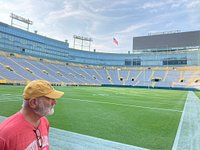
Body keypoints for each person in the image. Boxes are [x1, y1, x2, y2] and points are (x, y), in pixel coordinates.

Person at [0, 80, 64, 150]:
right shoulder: (5, 135)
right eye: (50, 99)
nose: (55, 102)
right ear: (33, 102)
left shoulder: (44, 121)